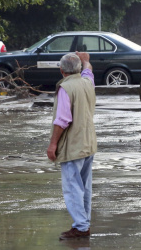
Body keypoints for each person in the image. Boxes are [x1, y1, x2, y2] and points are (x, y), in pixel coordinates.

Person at [47, 52, 97, 240]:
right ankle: (83, 223)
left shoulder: (65, 88)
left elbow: (62, 120)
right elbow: (89, 72)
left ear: (61, 71)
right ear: (78, 69)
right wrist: (86, 61)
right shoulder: (87, 82)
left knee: (72, 187)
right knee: (84, 186)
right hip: (88, 143)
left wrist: (53, 144)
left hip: (73, 146)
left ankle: (81, 227)